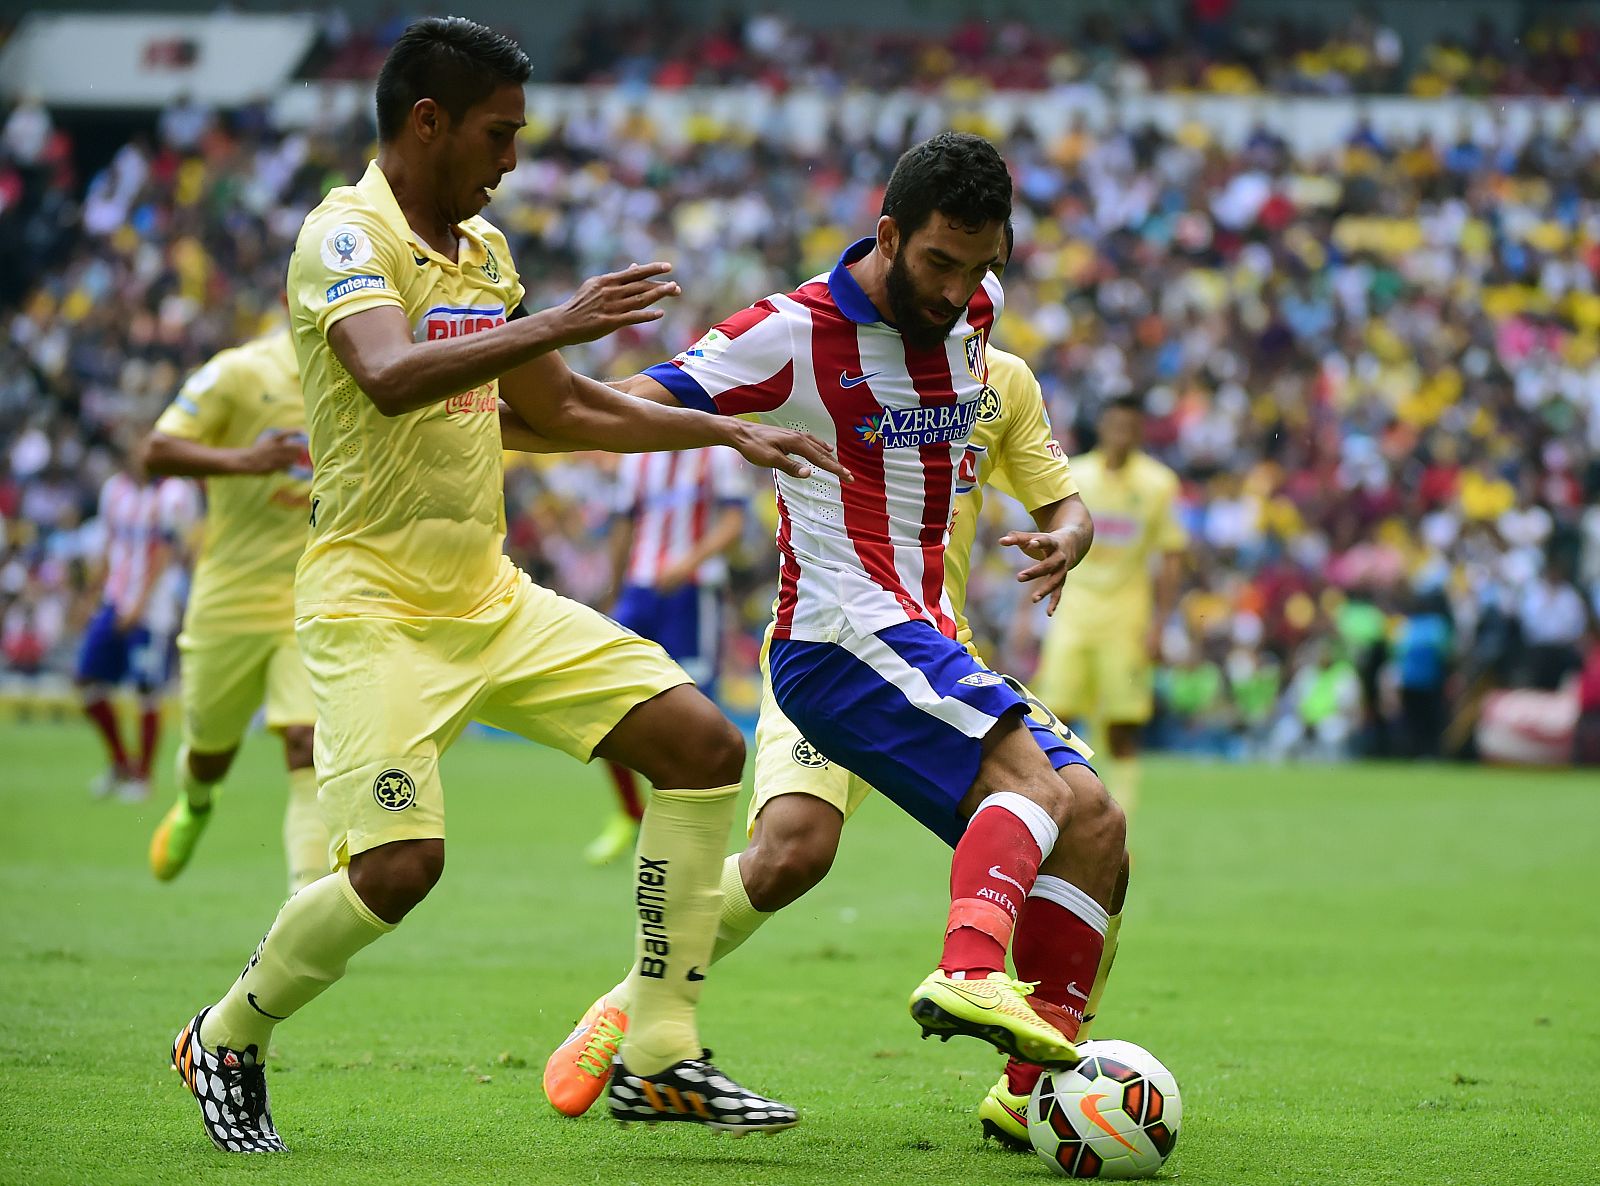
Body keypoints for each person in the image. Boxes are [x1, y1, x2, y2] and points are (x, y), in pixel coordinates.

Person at [169, 17, 844, 1153]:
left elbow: (561, 407)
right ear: (428, 120)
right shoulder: (344, 235)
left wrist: (724, 430)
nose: (514, 158)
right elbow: (387, 375)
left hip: (490, 599)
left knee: (700, 747)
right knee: (399, 869)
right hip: (373, 610)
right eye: (500, 132)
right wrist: (558, 321)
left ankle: (657, 1051)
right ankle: (226, 1034)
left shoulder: (482, 252)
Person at [545, 132, 1127, 1105]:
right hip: (841, 639)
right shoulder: (792, 334)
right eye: (939, 263)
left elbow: (1063, 501)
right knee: (793, 851)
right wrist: (515, 392)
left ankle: (1037, 1085)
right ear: (888, 235)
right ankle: (635, 1006)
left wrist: (1068, 538)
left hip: (938, 648)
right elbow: (611, 408)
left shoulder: (989, 350)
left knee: (1096, 821)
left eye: (978, 267)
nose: (955, 292)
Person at [140, 328, 329, 894]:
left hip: (313, 595)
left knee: (306, 742)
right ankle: (196, 803)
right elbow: (156, 451)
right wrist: (248, 461)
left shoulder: (367, 371)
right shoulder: (240, 372)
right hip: (230, 595)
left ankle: (304, 904)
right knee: (209, 755)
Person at [585, 448, 751, 865]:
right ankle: (630, 812)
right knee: (602, 693)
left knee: (699, 710)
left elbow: (733, 523)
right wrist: (615, 591)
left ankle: (700, 834)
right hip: (639, 593)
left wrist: (688, 563)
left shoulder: (717, 454)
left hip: (693, 593)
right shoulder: (638, 457)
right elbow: (624, 524)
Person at [1032, 395, 1186, 816]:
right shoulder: (1074, 475)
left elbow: (1171, 556)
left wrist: (1161, 624)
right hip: (1073, 613)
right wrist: (1025, 613)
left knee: (1123, 726)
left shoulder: (1158, 483)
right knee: (1053, 718)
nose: (1122, 434)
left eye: (1130, 426)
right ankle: (1056, 811)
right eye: (1115, 424)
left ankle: (1120, 820)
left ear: (1140, 431)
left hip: (1127, 618)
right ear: (1102, 426)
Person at [76, 449, 196, 802]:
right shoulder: (114, 490)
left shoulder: (173, 493)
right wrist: (90, 595)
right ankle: (120, 764)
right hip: (114, 600)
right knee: (86, 679)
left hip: (153, 610)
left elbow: (167, 551)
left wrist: (140, 605)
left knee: (146, 688)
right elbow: (109, 544)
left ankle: (142, 777)